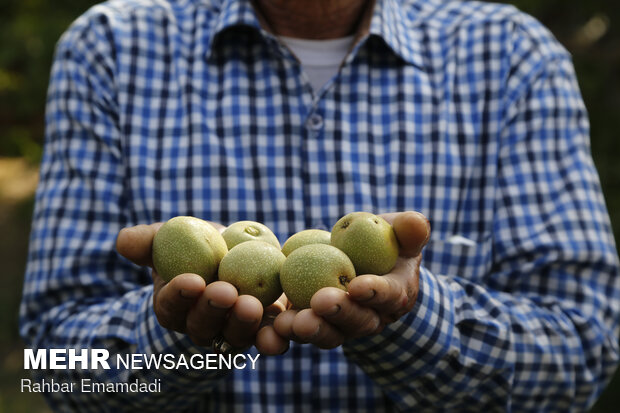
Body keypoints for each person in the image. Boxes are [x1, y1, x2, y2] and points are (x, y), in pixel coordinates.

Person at [20, 0, 620, 411]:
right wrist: (175, 343)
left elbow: (586, 351)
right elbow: (50, 365)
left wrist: (414, 320)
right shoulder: (110, 48)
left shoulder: (512, 54)